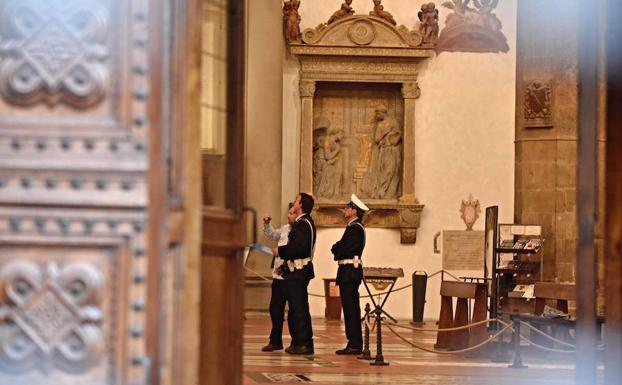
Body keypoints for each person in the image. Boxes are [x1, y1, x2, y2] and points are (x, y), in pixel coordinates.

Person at [272, 193, 316, 354]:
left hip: (299, 272)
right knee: (295, 309)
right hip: (294, 271)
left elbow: (300, 249)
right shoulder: (301, 223)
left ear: (301, 205)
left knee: (299, 309)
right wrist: (283, 267)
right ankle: (298, 342)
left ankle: (304, 343)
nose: (294, 202)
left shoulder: (304, 224)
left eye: (296, 200)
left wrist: (280, 251)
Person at [331, 193, 369, 355]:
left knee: (351, 308)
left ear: (354, 211)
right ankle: (352, 342)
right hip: (347, 271)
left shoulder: (356, 229)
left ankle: (354, 343)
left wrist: (337, 249)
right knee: (349, 308)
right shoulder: (352, 227)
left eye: (348, 207)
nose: (345, 209)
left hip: (350, 272)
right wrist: (337, 248)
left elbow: (344, 249)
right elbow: (338, 247)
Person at [261, 205, 296, 352]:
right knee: (275, 309)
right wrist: (267, 224)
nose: (289, 216)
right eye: (289, 213)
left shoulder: (300, 231)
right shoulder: (285, 229)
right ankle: (275, 341)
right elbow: (272, 235)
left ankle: (296, 341)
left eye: (292, 213)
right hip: (278, 275)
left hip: (292, 275)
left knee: (294, 311)